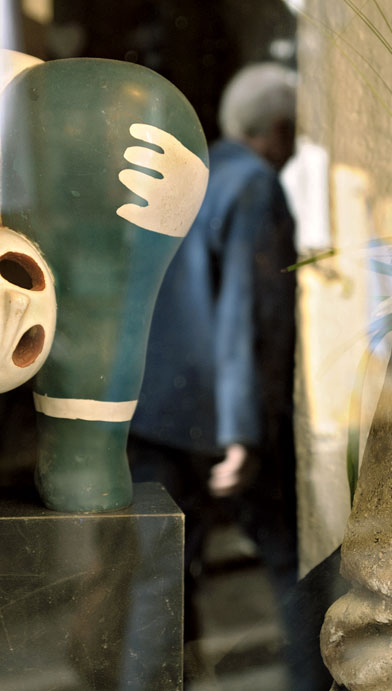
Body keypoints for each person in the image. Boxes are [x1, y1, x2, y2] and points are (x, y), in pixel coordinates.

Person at [129, 61, 301, 674]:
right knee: (291, 559)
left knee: (157, 582)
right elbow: (244, 316)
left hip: (152, 407)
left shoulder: (193, 174)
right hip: (215, 413)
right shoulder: (255, 184)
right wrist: (242, 433)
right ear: (281, 128)